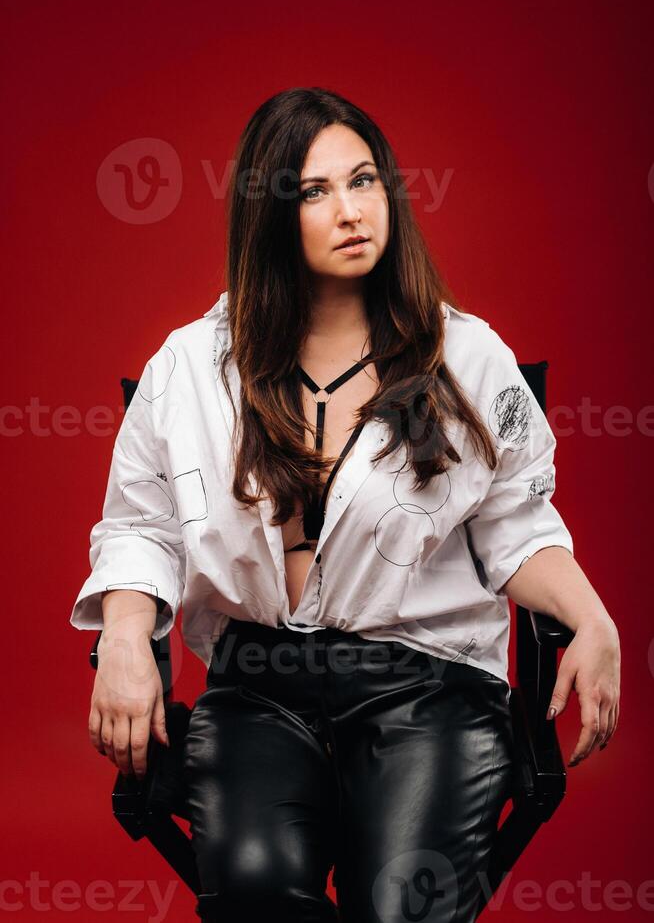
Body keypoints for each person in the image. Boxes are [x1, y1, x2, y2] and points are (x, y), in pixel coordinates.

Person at [70, 87, 621, 923]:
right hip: (258, 688)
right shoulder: (188, 367)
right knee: (255, 895)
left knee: (404, 903)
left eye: (364, 181)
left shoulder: (466, 354)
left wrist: (593, 616)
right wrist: (121, 636)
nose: (352, 210)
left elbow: (516, 524)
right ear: (270, 216)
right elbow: (141, 524)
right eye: (314, 191)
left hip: (428, 684)